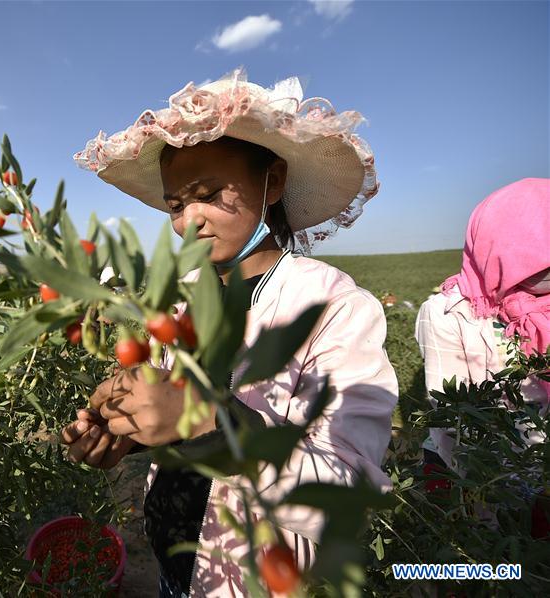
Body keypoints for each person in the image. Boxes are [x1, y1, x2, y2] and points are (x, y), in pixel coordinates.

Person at [62, 69, 399, 596]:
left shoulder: (334, 309)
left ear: (276, 182)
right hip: (176, 563)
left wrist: (207, 421)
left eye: (210, 194)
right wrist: (124, 433)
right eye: (177, 204)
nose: (188, 221)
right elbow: (170, 410)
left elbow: (348, 489)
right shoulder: (182, 298)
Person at [415, 178, 550, 470]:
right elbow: (452, 414)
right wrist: (493, 487)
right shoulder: (448, 312)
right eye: (535, 254)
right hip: (488, 470)